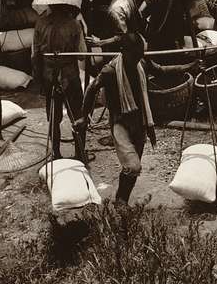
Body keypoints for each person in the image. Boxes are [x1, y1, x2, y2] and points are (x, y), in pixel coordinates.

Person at [75, 32, 194, 204]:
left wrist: (188, 66)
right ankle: (121, 202)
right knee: (133, 166)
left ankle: (121, 201)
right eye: (135, 54)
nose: (139, 57)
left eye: (140, 53)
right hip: (120, 122)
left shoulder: (142, 62)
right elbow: (91, 89)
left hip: (140, 122)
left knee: (132, 169)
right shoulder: (110, 71)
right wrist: (84, 117)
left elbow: (161, 70)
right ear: (124, 51)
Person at [33, 0, 87, 161]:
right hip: (69, 74)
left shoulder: (40, 23)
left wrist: (39, 79)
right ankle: (80, 153)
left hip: (49, 74)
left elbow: (35, 54)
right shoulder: (74, 25)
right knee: (77, 114)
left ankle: (55, 153)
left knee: (54, 116)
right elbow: (81, 54)